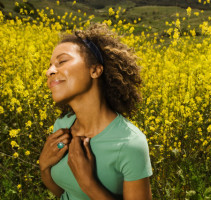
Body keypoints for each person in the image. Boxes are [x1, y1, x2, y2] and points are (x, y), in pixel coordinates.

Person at [39, 23, 153, 200]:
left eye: (62, 61)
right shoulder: (62, 127)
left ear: (95, 70)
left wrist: (88, 183)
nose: (49, 71)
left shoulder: (130, 143)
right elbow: (65, 193)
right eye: (50, 66)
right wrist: (44, 167)